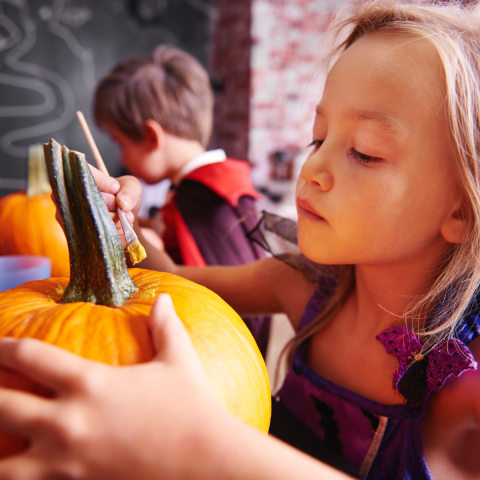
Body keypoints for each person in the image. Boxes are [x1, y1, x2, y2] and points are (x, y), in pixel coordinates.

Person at [0, 0, 479, 479]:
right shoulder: (302, 286)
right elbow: (170, 282)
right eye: (318, 138)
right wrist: (112, 232)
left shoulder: (466, 385)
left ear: (461, 206)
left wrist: (198, 444)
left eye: (364, 152)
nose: (311, 169)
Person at [93, 45, 271, 356]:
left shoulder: (202, 200)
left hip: (216, 351)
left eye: (121, 144)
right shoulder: (220, 180)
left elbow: (204, 290)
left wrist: (127, 235)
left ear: (152, 137)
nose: (121, 157)